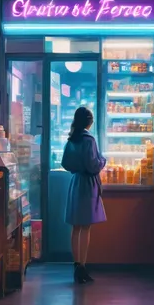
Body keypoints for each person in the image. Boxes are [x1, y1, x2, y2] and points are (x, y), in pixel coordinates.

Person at [61, 106, 106, 284]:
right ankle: (83, 267)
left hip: (75, 182)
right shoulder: (89, 140)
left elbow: (65, 162)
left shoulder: (72, 139)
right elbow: (93, 165)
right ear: (89, 121)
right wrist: (103, 161)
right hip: (88, 184)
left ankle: (76, 264)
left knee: (75, 226)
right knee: (86, 226)